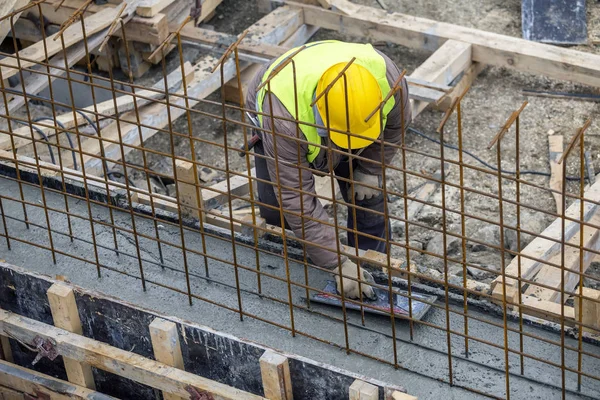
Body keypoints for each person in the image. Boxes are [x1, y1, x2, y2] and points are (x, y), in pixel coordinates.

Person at [245, 40, 411, 299]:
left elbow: (395, 127)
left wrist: (369, 167)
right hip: (280, 102)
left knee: (369, 197)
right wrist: (337, 263)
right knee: (279, 208)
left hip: (343, 112)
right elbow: (296, 196)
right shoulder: (283, 120)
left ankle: (371, 270)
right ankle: (293, 264)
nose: (350, 150)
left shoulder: (388, 80)